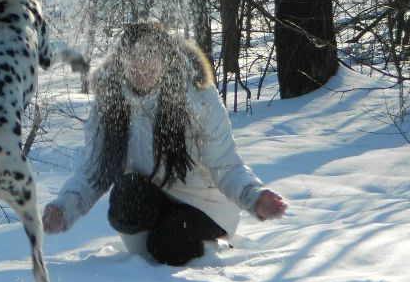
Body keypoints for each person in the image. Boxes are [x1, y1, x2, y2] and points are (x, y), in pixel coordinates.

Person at [42, 22, 287, 266]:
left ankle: (209, 248)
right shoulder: (110, 103)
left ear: (165, 57)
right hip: (151, 204)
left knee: (169, 243)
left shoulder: (197, 96)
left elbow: (225, 164)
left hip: (203, 205)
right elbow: (94, 170)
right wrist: (64, 207)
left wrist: (254, 196)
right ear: (122, 61)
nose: (142, 64)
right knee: (126, 192)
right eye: (133, 56)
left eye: (150, 55)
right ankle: (149, 254)